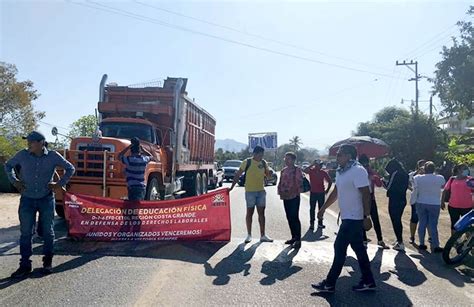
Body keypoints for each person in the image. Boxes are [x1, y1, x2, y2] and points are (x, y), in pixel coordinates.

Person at [4, 131, 75, 277]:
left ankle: (47, 263)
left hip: (46, 199)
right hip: (27, 200)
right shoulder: (22, 155)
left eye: (31, 141)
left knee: (48, 233)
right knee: (25, 233)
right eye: (28, 141)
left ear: (41, 142)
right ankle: (24, 265)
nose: (28, 144)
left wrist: (59, 184)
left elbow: (70, 168)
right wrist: (15, 181)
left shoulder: (53, 156)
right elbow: (8, 165)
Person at [312, 144, 376, 293]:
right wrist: (323, 208)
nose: (337, 157)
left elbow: (366, 194)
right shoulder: (341, 172)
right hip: (347, 216)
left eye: (340, 154)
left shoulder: (358, 170)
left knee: (339, 248)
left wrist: (366, 216)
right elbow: (336, 192)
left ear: (349, 156)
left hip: (354, 218)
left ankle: (329, 284)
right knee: (359, 249)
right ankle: (369, 281)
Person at [229, 146, 273, 243]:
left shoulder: (263, 163)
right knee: (250, 213)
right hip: (250, 192)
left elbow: (268, 176)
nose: (261, 156)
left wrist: (269, 173)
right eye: (260, 154)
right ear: (255, 154)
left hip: (261, 191)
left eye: (262, 155)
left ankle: (263, 235)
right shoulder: (247, 162)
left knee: (261, 214)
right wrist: (232, 187)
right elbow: (238, 174)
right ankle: (249, 235)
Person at [411, 161, 445, 252]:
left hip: (421, 202)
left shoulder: (418, 178)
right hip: (434, 203)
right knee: (433, 225)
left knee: (422, 223)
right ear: (434, 169)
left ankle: (421, 243)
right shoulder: (440, 178)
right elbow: (442, 183)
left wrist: (420, 171)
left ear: (424, 169)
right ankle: (436, 245)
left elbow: (412, 179)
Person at [358, 154, 388, 249]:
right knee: (362, 219)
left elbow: (379, 184)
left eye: (367, 165)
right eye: (364, 165)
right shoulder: (357, 172)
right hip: (361, 198)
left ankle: (380, 240)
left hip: (371, 198)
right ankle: (364, 239)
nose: (366, 167)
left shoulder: (371, 172)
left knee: (375, 219)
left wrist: (374, 176)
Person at [278, 152, 303, 249]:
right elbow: (280, 183)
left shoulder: (297, 170)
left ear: (293, 160)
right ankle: (293, 237)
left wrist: (289, 192)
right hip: (286, 197)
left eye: (288, 159)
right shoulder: (283, 170)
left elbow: (298, 183)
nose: (286, 160)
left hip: (294, 197)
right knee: (289, 217)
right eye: (285, 158)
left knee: (294, 217)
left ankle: (298, 239)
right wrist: (281, 192)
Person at [383, 158, 409, 252]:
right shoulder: (405, 173)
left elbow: (388, 186)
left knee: (395, 221)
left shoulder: (395, 173)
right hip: (402, 199)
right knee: (398, 220)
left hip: (394, 200)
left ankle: (400, 242)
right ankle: (399, 240)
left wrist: (382, 181)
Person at [442, 164, 474, 235]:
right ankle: (454, 241)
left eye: (467, 168)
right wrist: (442, 201)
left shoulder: (471, 180)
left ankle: (467, 243)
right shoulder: (452, 179)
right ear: (459, 170)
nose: (466, 170)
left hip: (467, 207)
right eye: (464, 168)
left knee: (467, 225)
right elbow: (445, 190)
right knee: (454, 224)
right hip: (453, 206)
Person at [303, 160, 332, 230]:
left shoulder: (323, 172)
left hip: (321, 193)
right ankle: (312, 224)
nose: (319, 166)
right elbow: (305, 170)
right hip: (313, 192)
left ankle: (320, 223)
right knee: (312, 209)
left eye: (320, 165)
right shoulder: (311, 171)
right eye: (317, 165)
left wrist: (327, 190)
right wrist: (312, 164)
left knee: (321, 209)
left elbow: (330, 181)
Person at [408, 159, 427, 244]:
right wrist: (411, 189)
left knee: (426, 219)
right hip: (415, 199)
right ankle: (412, 236)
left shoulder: (429, 175)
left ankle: (428, 237)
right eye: (422, 165)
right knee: (414, 218)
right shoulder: (413, 174)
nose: (423, 167)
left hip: (426, 200)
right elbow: (408, 181)